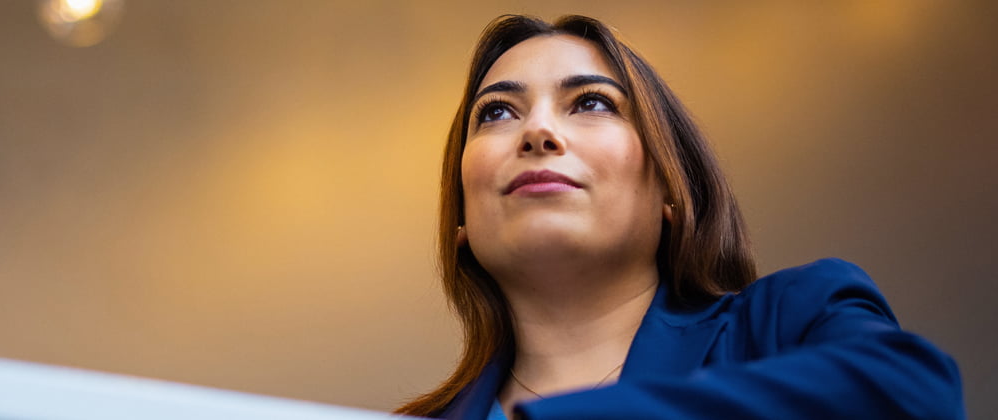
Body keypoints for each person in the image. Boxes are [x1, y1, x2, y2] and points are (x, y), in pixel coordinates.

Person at [395, 14, 965, 420]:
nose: (538, 132)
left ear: (670, 188)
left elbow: (912, 394)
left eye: (591, 102)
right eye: (496, 112)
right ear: (461, 215)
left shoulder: (791, 321)